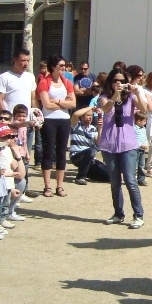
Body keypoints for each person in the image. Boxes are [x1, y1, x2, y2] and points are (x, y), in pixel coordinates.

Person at [98, 68, 147, 229]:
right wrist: (115, 95)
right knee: (115, 181)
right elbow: (106, 110)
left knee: (130, 180)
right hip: (109, 143)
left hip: (128, 144)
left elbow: (144, 109)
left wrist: (137, 92)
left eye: (121, 80)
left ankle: (138, 215)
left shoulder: (130, 96)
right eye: (114, 81)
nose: (118, 83)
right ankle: (118, 213)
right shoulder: (104, 96)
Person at [37, 55, 76, 197]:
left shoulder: (67, 81)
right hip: (49, 119)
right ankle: (47, 186)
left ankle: (59, 186)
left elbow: (73, 104)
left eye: (64, 65)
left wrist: (57, 100)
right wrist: (63, 103)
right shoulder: (44, 82)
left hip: (64, 119)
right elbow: (46, 104)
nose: (63, 68)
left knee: (61, 152)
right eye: (61, 65)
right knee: (48, 152)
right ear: (53, 66)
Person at [69, 105, 107, 184]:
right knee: (90, 151)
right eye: (88, 115)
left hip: (90, 158)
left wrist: (100, 130)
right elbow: (76, 114)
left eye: (92, 115)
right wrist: (91, 108)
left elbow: (98, 143)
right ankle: (80, 177)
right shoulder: (76, 125)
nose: (90, 117)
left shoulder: (92, 128)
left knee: (108, 176)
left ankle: (88, 173)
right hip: (76, 156)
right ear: (82, 117)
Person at [134, 112, 149, 186]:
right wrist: (141, 145)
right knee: (135, 166)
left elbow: (145, 137)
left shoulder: (143, 128)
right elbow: (133, 140)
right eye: (144, 121)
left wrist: (146, 144)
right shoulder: (133, 128)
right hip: (136, 149)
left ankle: (141, 179)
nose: (145, 123)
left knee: (141, 165)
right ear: (139, 121)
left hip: (142, 150)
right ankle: (133, 179)